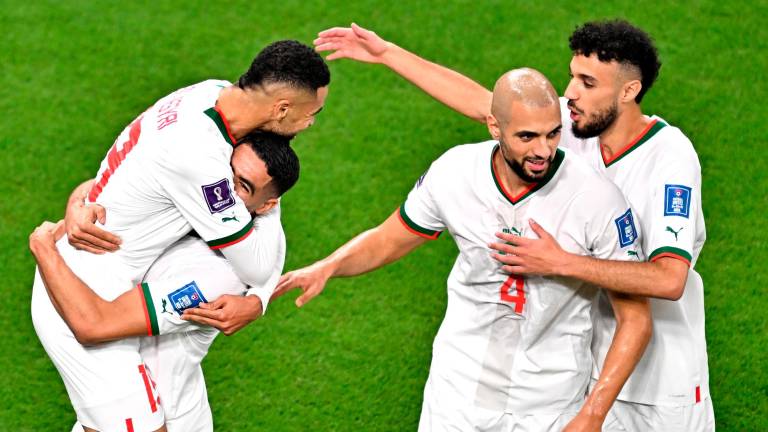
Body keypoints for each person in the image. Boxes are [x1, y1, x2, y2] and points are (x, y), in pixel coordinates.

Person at [313, 21, 713, 431]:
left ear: (628, 91)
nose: (570, 93)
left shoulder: (669, 160)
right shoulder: (569, 130)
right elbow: (490, 105)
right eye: (573, 77)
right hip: (593, 365)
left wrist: (561, 262)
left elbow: (669, 279)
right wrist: (387, 54)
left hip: (661, 382)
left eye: (587, 82)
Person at [274, 69, 651, 431]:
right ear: (494, 126)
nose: (543, 150)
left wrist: (593, 414)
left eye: (553, 134)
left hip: (548, 405)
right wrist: (328, 266)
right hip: (458, 393)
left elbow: (636, 319)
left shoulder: (597, 199)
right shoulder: (455, 173)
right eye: (527, 137)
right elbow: (390, 237)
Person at [31, 132, 299, 432]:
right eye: (227, 173)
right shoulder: (194, 194)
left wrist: (44, 248)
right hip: (120, 403)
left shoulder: (220, 276)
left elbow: (96, 323)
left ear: (266, 206)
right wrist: (76, 205)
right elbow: (106, 185)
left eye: (243, 187)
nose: (224, 193)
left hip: (160, 417)